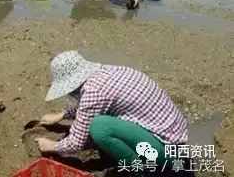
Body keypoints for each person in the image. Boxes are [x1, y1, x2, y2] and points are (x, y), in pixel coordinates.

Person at [35, 51, 188, 169]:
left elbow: (75, 144)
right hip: (176, 138)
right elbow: (95, 103)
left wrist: (52, 146)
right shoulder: (108, 71)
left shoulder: (93, 92)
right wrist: (62, 114)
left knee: (100, 127)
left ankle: (141, 170)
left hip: (167, 153)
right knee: (100, 122)